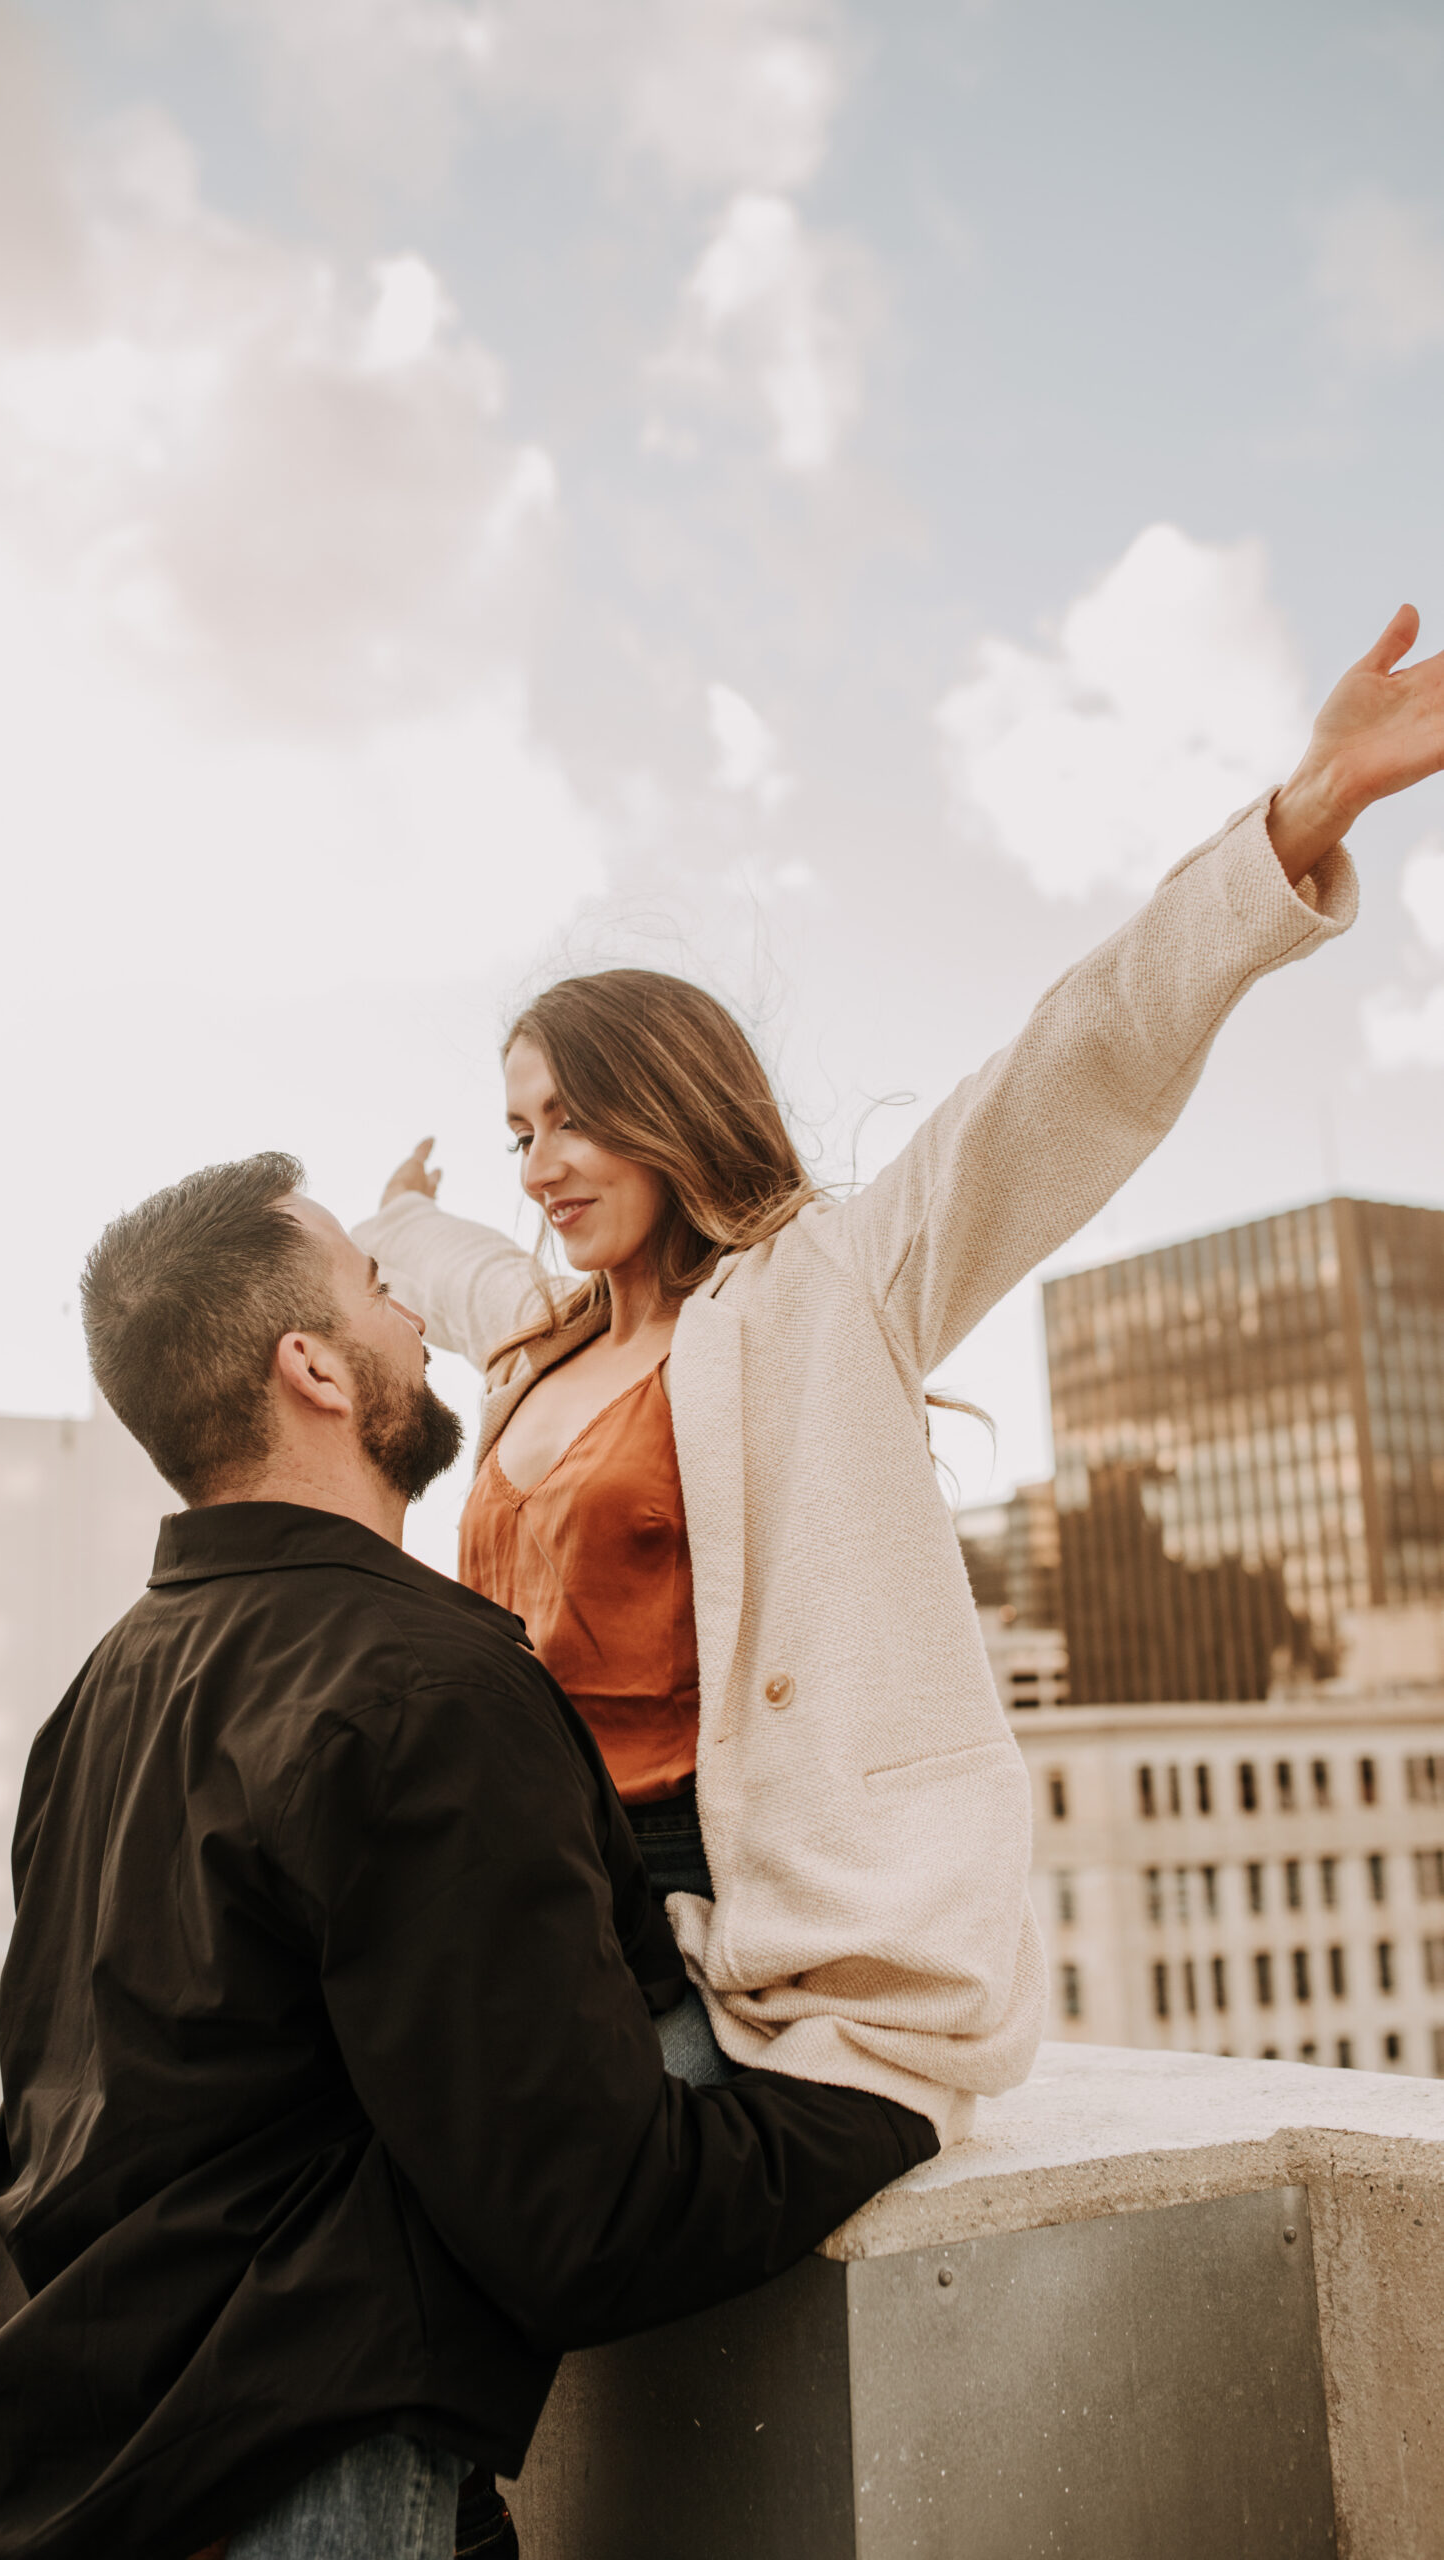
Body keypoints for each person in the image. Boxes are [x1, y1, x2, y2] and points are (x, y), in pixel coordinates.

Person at [356, 604, 1444, 2141]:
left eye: (571, 1120)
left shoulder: (822, 1297)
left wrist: (1292, 825)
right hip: (526, 1890)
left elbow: (1075, 1065)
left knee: (530, 2221)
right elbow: (457, 1265)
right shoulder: (543, 1335)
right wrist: (394, 1214)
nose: (539, 1166)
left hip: (706, 1923)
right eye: (518, 1132)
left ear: (664, 1104)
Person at [0, 1155, 938, 2560]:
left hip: (64, 2463)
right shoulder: (427, 1691)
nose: (407, 1309)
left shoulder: (106, 1685)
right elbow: (589, 2214)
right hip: (284, 2491)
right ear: (314, 1372)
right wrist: (891, 2096)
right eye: (370, 1283)